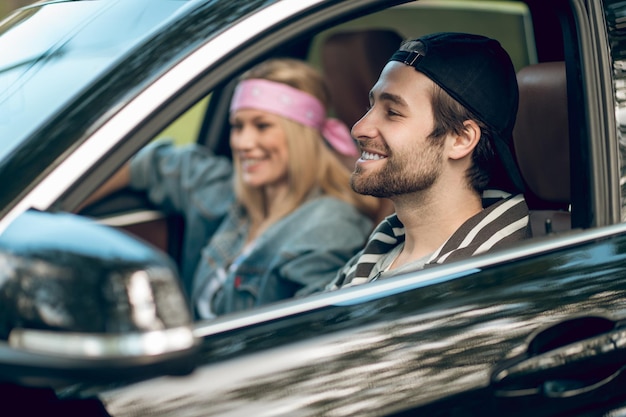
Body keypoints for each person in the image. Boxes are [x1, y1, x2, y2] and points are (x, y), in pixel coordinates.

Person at [85, 58, 379, 318]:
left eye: (262, 126)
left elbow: (305, 333)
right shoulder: (228, 193)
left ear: (301, 134)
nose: (243, 142)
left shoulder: (331, 226)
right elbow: (148, 164)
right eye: (238, 126)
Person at [328, 32, 531, 290]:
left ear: (460, 139)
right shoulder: (379, 251)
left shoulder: (484, 284)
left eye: (392, 112)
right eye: (371, 107)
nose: (359, 128)